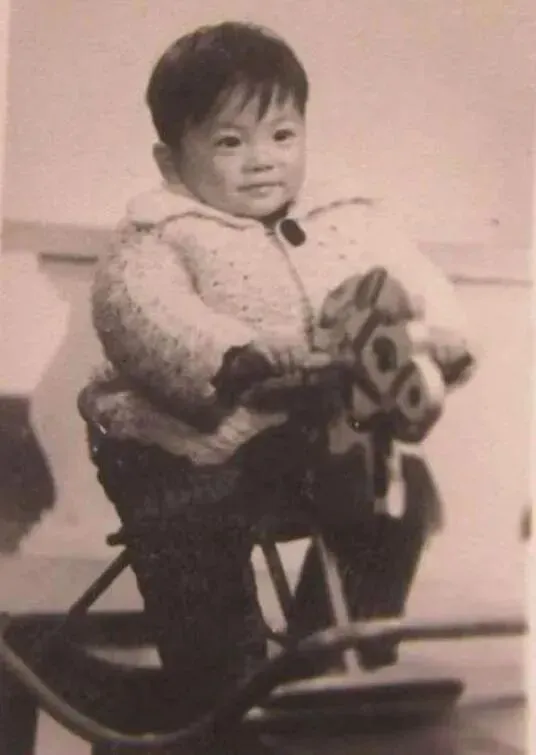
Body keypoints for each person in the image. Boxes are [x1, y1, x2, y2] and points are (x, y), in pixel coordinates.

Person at [78, 20, 475, 753]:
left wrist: (440, 335)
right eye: (230, 143)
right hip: (180, 447)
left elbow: (414, 277)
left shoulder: (348, 218)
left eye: (282, 136)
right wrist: (235, 353)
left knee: (396, 493)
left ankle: (332, 659)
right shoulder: (160, 234)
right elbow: (141, 314)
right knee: (194, 529)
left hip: (309, 437)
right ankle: (217, 681)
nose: (262, 160)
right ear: (171, 160)